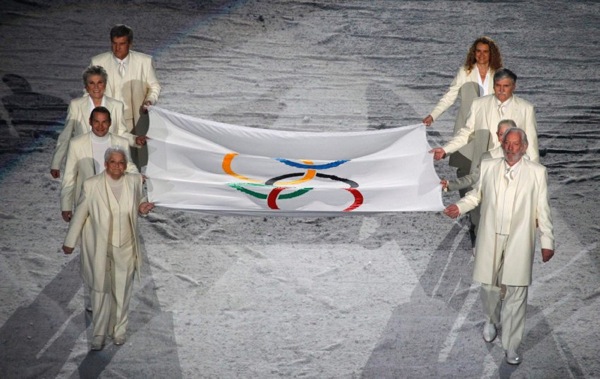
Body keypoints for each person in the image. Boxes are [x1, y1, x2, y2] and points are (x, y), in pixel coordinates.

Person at [443, 128, 554, 365]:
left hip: (519, 239)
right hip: (491, 236)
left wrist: (547, 241)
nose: (511, 148)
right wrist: (460, 207)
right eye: (507, 144)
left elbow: (542, 210)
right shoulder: (490, 166)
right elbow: (476, 195)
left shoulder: (537, 172)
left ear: (524, 147)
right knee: (489, 286)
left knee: (516, 291)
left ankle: (511, 345)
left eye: (516, 144)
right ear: (502, 144)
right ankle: (491, 319)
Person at [62, 146, 154, 351]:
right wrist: (70, 241)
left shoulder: (134, 181)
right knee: (100, 291)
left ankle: (119, 331)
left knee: (122, 291)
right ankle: (99, 334)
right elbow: (80, 214)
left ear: (125, 165)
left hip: (127, 246)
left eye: (121, 163)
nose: (117, 166)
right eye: (113, 162)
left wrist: (142, 208)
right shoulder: (91, 185)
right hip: (100, 247)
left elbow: (139, 203)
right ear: (106, 164)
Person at [423, 37, 503, 197]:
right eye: (478, 51)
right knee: (465, 167)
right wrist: (433, 115)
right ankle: (468, 206)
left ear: (491, 54)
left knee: (488, 168)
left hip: (490, 128)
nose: (481, 55)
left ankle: (482, 206)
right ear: (474, 53)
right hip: (467, 126)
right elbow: (450, 96)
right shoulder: (464, 72)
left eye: (485, 52)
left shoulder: (498, 74)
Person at [431, 68, 540, 168]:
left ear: (513, 86)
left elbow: (531, 145)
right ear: (493, 86)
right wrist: (445, 150)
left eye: (506, 86)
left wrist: (535, 174)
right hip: (484, 166)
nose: (501, 90)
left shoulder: (526, 109)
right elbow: (466, 133)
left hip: (515, 167)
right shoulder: (479, 104)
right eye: (498, 85)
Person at [50, 65, 144, 179]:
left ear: (105, 84)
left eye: (100, 82)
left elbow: (121, 133)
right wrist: (56, 163)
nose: (96, 87)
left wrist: (135, 140)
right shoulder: (76, 106)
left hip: (109, 161)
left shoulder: (117, 106)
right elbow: (66, 135)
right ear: (86, 86)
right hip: (85, 163)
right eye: (91, 83)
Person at [90, 24, 161, 169]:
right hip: (108, 121)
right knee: (108, 162)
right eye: (114, 44)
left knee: (135, 161)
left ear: (130, 43)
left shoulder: (144, 62)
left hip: (135, 119)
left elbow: (154, 86)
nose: (117, 48)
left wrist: (150, 100)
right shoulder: (98, 62)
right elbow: (89, 91)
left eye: (122, 44)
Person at [60, 106, 138, 222]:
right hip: (87, 203)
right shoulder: (76, 144)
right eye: (96, 122)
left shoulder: (121, 142)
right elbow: (69, 177)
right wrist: (66, 206)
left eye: (104, 122)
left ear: (110, 123)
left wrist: (137, 176)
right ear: (90, 122)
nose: (100, 126)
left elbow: (128, 165)